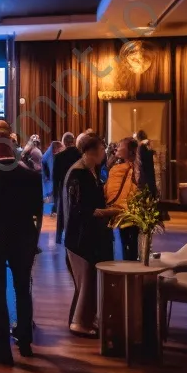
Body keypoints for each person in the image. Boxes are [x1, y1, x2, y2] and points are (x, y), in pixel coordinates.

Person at [0, 132, 43, 365]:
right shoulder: (31, 176)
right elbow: (37, 211)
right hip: (23, 238)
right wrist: (34, 239)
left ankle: (2, 348)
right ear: (11, 149)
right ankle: (25, 341)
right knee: (23, 289)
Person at [64, 135, 120, 336]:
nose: (105, 153)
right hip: (80, 236)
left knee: (90, 281)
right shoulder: (79, 173)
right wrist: (110, 212)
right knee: (86, 281)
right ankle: (79, 323)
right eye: (102, 149)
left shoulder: (90, 171)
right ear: (91, 151)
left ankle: (85, 319)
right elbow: (81, 209)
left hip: (90, 234)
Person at [105, 136, 140, 260]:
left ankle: (132, 268)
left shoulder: (135, 168)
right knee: (126, 242)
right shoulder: (117, 166)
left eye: (121, 146)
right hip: (121, 210)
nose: (117, 148)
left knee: (130, 242)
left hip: (129, 211)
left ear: (130, 151)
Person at [52, 132, 80, 245]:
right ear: (73, 141)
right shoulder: (80, 155)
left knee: (62, 215)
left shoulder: (58, 157)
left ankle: (59, 238)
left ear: (64, 142)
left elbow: (55, 178)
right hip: (79, 188)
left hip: (63, 188)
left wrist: (55, 196)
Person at [136, 129, 157, 196]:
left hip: (144, 174)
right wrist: (152, 152)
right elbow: (146, 157)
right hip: (146, 175)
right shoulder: (142, 146)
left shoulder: (139, 147)